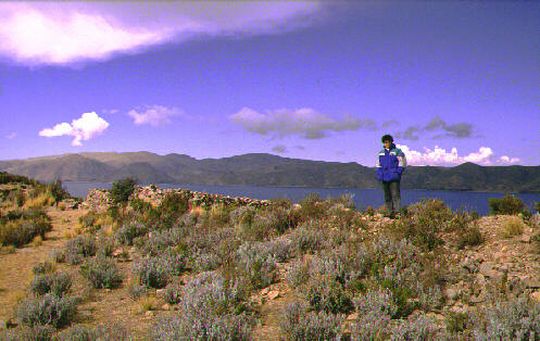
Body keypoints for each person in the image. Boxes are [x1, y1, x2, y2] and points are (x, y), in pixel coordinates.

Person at [376, 134, 407, 218]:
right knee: (387, 196)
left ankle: (397, 212)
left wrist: (397, 173)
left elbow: (402, 163)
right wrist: (380, 174)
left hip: (394, 177)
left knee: (395, 195)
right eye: (385, 142)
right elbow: (378, 165)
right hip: (384, 177)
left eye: (388, 142)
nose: (387, 143)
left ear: (391, 141)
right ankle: (389, 212)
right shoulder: (381, 153)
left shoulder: (398, 151)